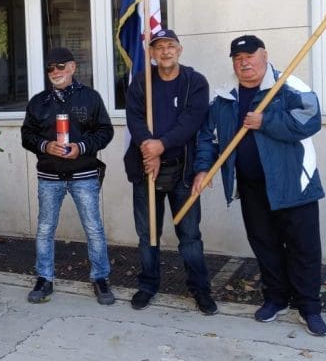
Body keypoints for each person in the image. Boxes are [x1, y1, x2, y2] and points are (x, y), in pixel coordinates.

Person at [192, 35, 326, 336]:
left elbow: (311, 120)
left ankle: (309, 307)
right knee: (265, 245)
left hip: (294, 184)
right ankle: (276, 299)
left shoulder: (289, 85)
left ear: (264, 55)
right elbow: (207, 136)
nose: (244, 63)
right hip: (252, 187)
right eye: (238, 59)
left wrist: (265, 121)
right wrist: (203, 168)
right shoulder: (225, 97)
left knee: (303, 248)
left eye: (250, 56)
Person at [123, 29, 217, 315]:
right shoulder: (141, 82)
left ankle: (200, 289)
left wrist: (160, 146)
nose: (165, 51)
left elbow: (191, 122)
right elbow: (134, 118)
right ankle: (148, 285)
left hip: (183, 172)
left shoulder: (195, 82)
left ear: (180, 49)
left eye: (170, 46)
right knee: (147, 234)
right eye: (159, 47)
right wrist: (148, 151)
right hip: (146, 170)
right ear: (151, 53)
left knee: (189, 236)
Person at [21, 47, 116, 305]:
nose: (55, 71)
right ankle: (44, 278)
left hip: (84, 174)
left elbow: (105, 131)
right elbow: (26, 135)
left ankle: (100, 278)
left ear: (72, 67)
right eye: (50, 68)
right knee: (45, 228)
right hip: (49, 176)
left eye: (60, 66)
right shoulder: (38, 101)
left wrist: (81, 147)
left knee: (93, 228)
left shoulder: (90, 97)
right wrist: (45, 146)